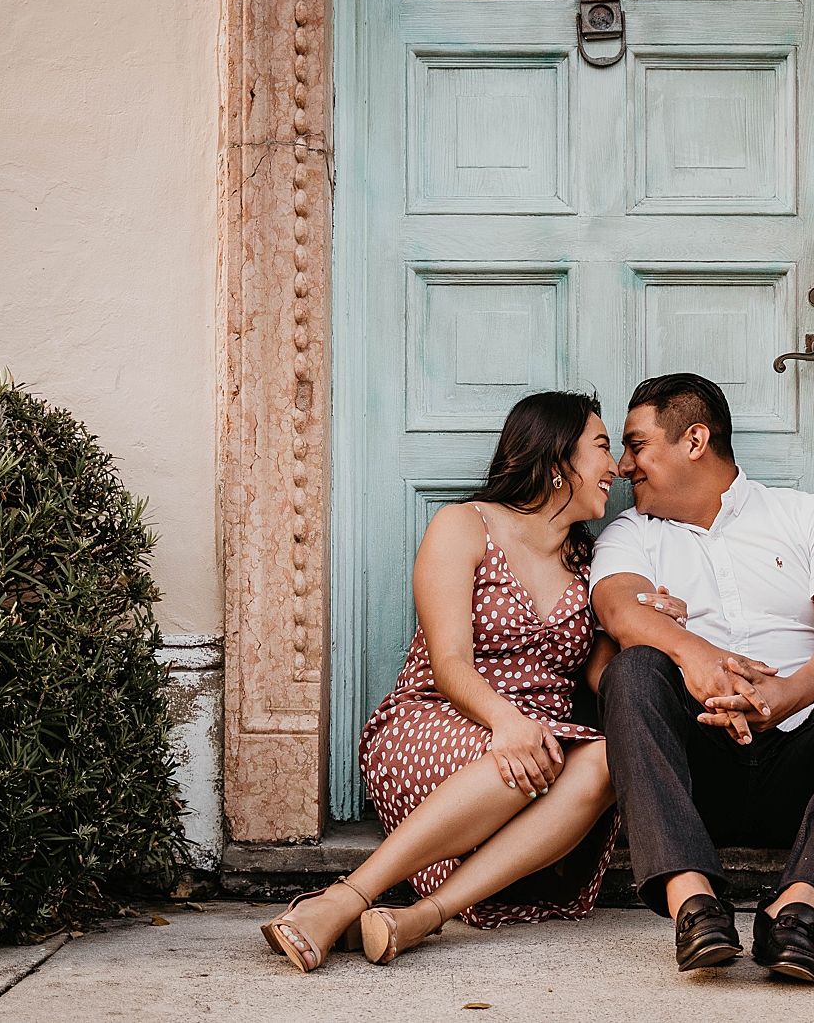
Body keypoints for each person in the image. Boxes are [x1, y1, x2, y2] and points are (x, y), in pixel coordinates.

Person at [260, 391, 688, 971]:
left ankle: (422, 917)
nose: (616, 468)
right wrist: (508, 722)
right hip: (436, 718)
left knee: (607, 758)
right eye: (603, 448)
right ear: (559, 457)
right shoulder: (464, 526)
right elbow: (450, 664)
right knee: (534, 752)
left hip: (541, 743)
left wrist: (652, 631)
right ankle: (343, 898)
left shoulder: (590, 565)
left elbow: (604, 675)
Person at [590, 373, 814, 985]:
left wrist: (784, 695)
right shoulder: (630, 534)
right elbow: (620, 610)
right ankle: (695, 905)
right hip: (696, 772)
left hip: (806, 770)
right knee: (632, 669)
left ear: (694, 439)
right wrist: (699, 657)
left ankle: (797, 912)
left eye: (637, 445)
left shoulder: (810, 516)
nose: (623, 465)